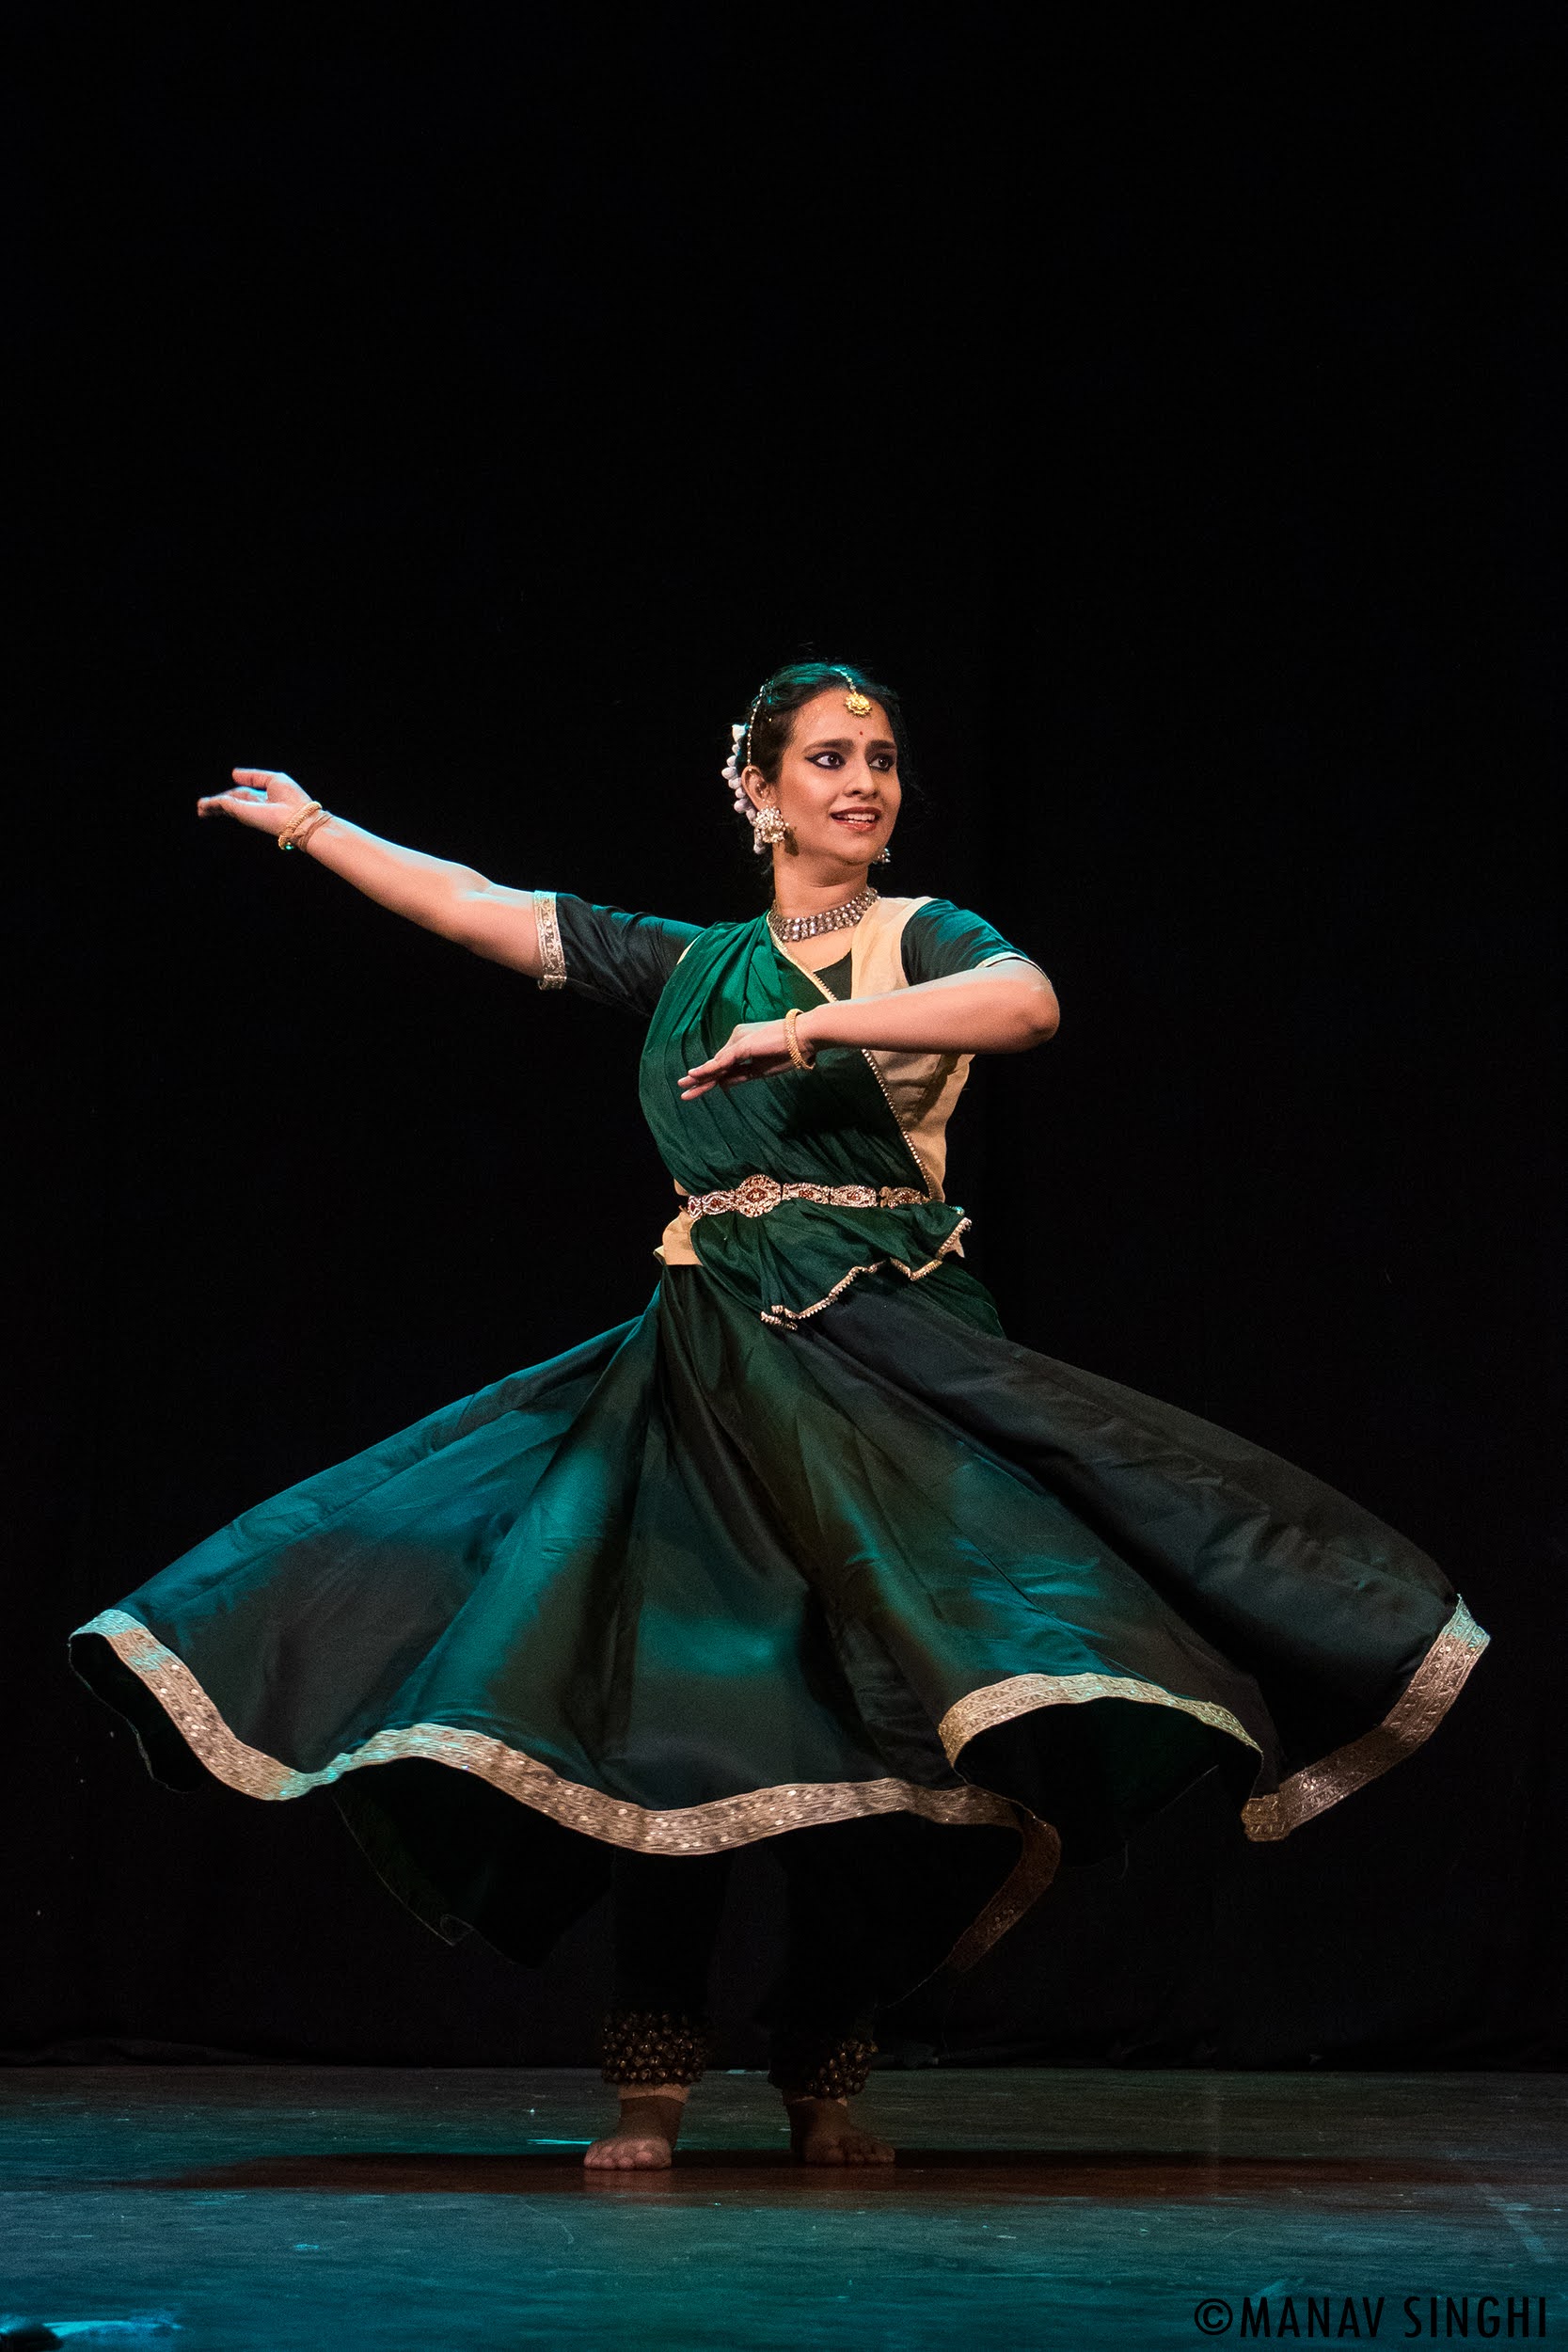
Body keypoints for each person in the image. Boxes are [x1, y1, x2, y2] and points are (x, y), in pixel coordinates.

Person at [71, 660, 1488, 2169]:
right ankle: (651, 2085)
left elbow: (1030, 1001)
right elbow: (489, 907)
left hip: (886, 1367)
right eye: (825, 759)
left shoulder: (915, 938)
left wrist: (807, 1036)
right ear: (755, 792)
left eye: (879, 758)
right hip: (704, 1367)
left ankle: (827, 2068)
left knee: (884, 1726)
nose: (862, 783)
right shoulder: (689, 964)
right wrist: (317, 830)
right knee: (688, 1710)